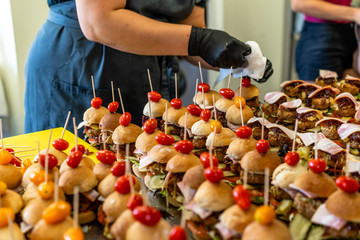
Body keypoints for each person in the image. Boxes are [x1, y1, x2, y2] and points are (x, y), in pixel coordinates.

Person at [24, 0, 273, 134]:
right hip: (79, 65)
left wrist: (237, 58)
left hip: (147, 73)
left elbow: (190, 35)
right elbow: (98, 20)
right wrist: (200, 40)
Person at [291, 0, 360, 81]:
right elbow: (299, 3)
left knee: (351, 89)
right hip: (320, 36)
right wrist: (354, 14)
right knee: (321, 92)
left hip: (348, 31)